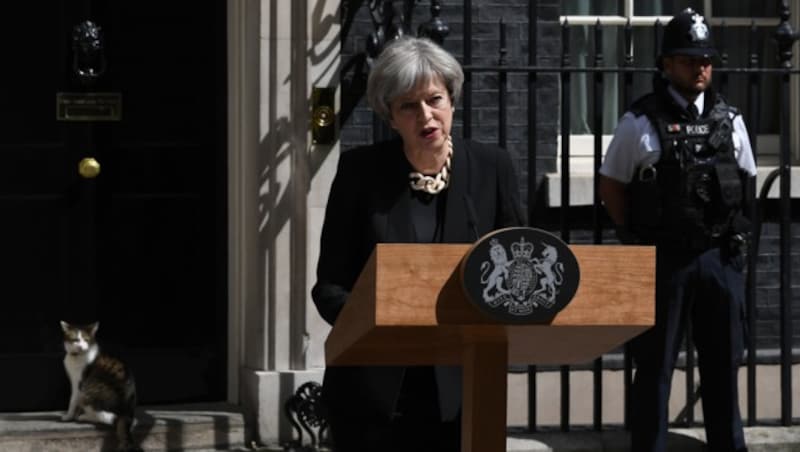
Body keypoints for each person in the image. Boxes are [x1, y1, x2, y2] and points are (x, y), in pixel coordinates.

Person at [311, 36, 524, 452]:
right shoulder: (360, 173)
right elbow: (329, 287)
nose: (426, 115)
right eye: (408, 106)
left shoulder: (492, 168)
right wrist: (378, 321)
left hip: (463, 391)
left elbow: (523, 267)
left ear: (452, 101)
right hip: (373, 392)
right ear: (390, 116)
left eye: (435, 99)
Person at [598, 8, 756, 452]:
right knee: (655, 365)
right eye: (689, 59)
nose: (700, 67)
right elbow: (612, 185)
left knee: (724, 365)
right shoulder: (640, 122)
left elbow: (746, 183)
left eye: (705, 59)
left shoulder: (730, 120)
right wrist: (636, 234)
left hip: (718, 257)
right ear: (666, 64)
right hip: (664, 260)